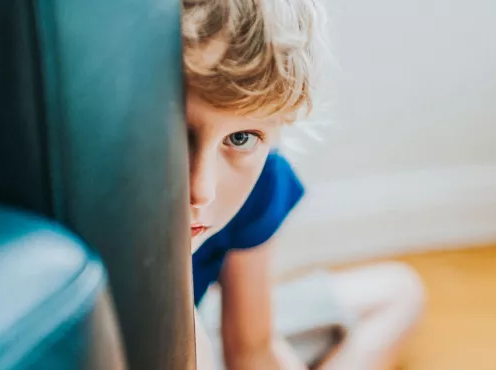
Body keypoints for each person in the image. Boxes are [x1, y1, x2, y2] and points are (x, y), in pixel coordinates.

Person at [182, 0, 425, 369]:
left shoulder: (261, 180)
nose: (202, 189)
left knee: (400, 292)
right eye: (176, 136)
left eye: (242, 138)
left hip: (211, 327)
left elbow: (251, 348)